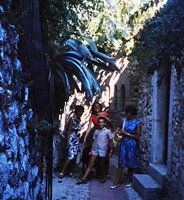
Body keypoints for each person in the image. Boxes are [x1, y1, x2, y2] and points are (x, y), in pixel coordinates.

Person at [110, 105, 141, 189]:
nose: (126, 114)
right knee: (121, 162)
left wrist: (126, 133)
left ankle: (128, 180)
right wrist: (117, 130)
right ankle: (116, 182)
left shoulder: (138, 123)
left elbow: (137, 136)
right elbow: (120, 128)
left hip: (133, 144)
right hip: (124, 143)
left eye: (128, 112)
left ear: (132, 113)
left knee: (131, 163)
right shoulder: (124, 120)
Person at [77, 117, 113, 184]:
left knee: (102, 164)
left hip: (103, 149)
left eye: (102, 122)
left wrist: (111, 151)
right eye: (99, 122)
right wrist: (91, 150)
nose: (101, 124)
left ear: (105, 123)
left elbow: (111, 142)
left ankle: (102, 176)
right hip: (95, 149)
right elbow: (94, 141)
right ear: (98, 123)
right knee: (91, 163)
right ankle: (84, 178)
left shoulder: (107, 131)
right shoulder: (96, 131)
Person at [82, 102, 112, 177]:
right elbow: (89, 128)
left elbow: (110, 124)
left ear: (100, 107)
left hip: (105, 136)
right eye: (95, 107)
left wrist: (105, 118)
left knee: (106, 155)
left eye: (98, 106)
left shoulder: (104, 114)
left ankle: (106, 172)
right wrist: (85, 137)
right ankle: (99, 172)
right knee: (98, 155)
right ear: (93, 108)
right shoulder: (92, 117)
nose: (97, 108)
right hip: (98, 137)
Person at [58, 105, 84, 178]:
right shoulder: (72, 119)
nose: (81, 113)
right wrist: (68, 142)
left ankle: (70, 171)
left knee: (74, 156)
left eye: (82, 111)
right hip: (71, 139)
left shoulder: (79, 119)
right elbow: (68, 131)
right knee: (71, 156)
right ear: (76, 111)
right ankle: (62, 171)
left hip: (76, 139)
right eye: (79, 111)